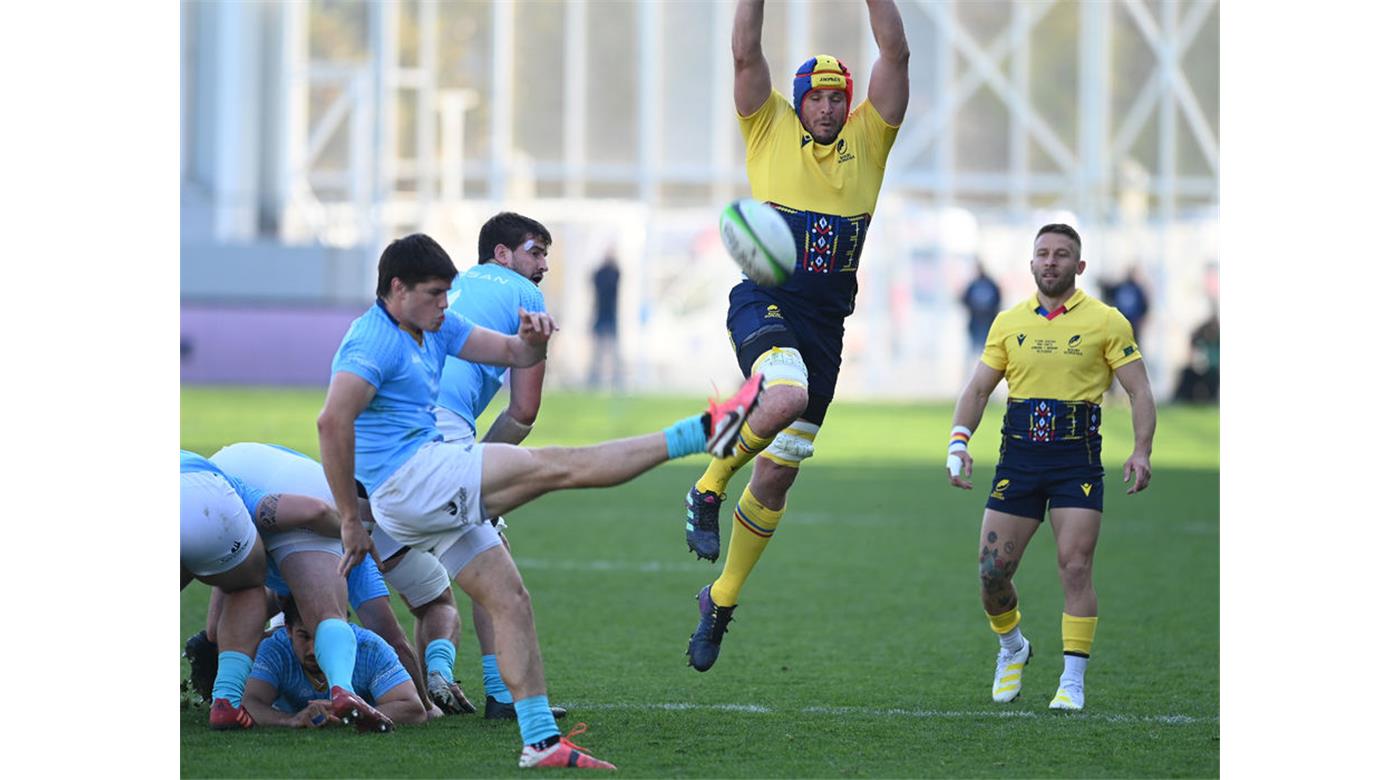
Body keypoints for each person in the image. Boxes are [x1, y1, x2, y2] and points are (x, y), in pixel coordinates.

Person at [317, 232, 764, 770]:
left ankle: (540, 741)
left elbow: (513, 353)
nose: (444, 304)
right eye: (435, 294)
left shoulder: (433, 325)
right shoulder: (372, 341)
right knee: (556, 465)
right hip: (413, 482)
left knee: (510, 599)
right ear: (397, 289)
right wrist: (350, 519)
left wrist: (535, 340)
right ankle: (706, 431)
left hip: (425, 480)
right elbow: (332, 422)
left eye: (446, 293)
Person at [681, 0, 910, 673]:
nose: (829, 108)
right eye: (818, 98)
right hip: (765, 300)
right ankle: (707, 486)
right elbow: (745, 52)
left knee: (779, 474)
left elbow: (895, 55)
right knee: (784, 394)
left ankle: (720, 600)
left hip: (825, 326)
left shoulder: (870, 140)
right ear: (799, 100)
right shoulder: (768, 126)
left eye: (839, 98)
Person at [945, 224, 1157, 711]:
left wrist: (1141, 450)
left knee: (1075, 568)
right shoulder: (1009, 323)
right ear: (1031, 262)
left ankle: (1072, 681)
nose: (1051, 261)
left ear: (1078, 266)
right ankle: (1012, 647)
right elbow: (978, 390)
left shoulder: (1107, 321)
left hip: (1074, 463)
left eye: (1062, 254)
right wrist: (959, 441)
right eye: (1043, 253)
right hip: (1018, 460)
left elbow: (1140, 390)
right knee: (992, 573)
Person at [209, 441, 462, 719]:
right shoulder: (348, 551)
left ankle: (225, 699)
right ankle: (344, 690)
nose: (311, 650)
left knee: (224, 625)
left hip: (216, 481)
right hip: (277, 497)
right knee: (328, 616)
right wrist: (427, 707)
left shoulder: (330, 559)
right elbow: (393, 637)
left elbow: (221, 626)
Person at [431, 212, 568, 721]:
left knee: (346, 541)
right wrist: (480, 464)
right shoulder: (525, 295)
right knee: (499, 574)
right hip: (440, 431)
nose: (544, 265)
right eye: (536, 252)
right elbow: (523, 413)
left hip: (382, 425)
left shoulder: (450, 286)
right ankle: (503, 694)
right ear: (502, 254)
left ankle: (247, 645)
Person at [180, 450, 381, 730]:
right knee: (247, 584)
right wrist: (350, 531)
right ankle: (227, 700)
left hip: (203, 502)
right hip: (209, 504)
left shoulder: (228, 465)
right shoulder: (229, 484)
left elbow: (214, 631)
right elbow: (316, 511)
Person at [241, 595, 427, 730]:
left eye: (324, 637)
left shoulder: (369, 648)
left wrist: (354, 713)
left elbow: (413, 709)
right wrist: (291, 720)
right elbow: (250, 702)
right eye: (304, 636)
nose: (313, 650)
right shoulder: (276, 649)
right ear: (288, 630)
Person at [588, 252, 622, 390]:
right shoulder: (602, 274)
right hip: (602, 316)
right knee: (598, 352)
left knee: (612, 351)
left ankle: (615, 379)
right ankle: (595, 378)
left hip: (609, 316)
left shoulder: (613, 274)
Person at [960, 260, 1002, 359]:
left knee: (986, 350)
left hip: (987, 323)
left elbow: (998, 300)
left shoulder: (991, 284)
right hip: (975, 322)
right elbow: (964, 299)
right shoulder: (973, 284)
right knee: (973, 350)